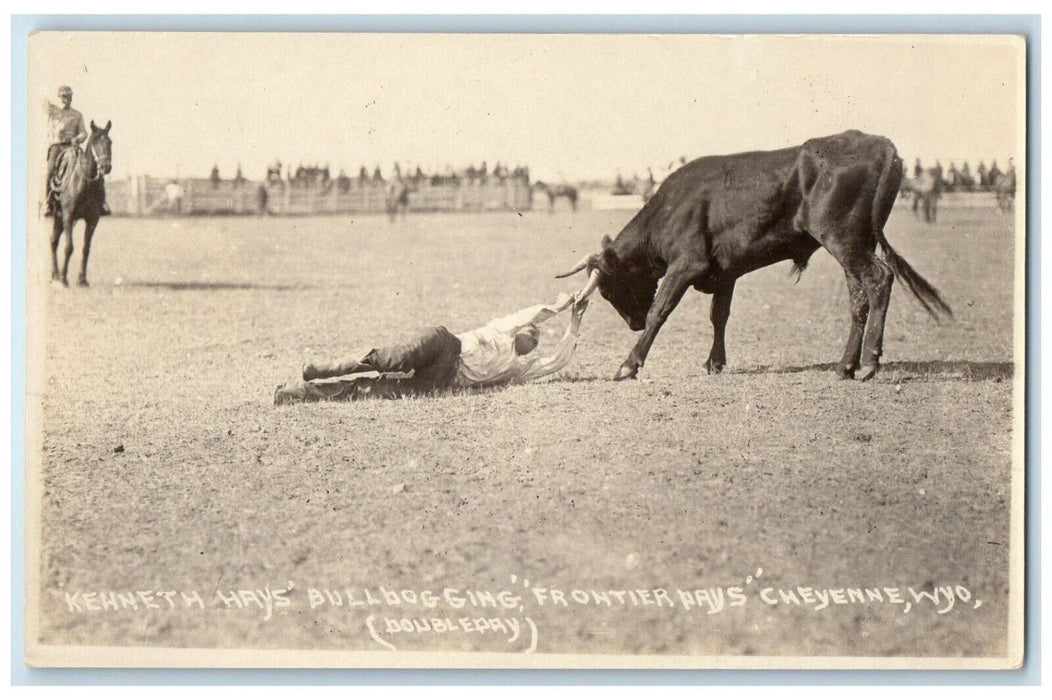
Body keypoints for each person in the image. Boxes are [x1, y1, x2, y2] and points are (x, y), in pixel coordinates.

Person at [274, 291, 591, 404]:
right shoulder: (504, 328)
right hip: (444, 344)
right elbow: (530, 314)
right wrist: (558, 307)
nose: (533, 335)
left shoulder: (519, 369)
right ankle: (320, 369)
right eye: (532, 332)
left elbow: (557, 361)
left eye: (535, 340)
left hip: (443, 381)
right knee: (388, 359)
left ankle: (296, 394)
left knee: (371, 391)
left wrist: (574, 324)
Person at [44, 85, 91, 216]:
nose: (67, 99)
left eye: (69, 96)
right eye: (64, 96)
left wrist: (78, 139)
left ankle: (95, 201)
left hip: (72, 146)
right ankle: (48, 202)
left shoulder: (77, 115)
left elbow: (84, 132)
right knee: (50, 171)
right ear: (58, 97)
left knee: (86, 166)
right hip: (57, 147)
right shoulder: (53, 112)